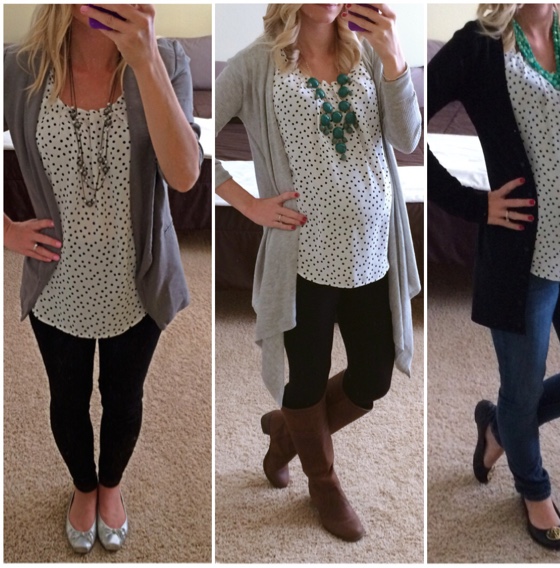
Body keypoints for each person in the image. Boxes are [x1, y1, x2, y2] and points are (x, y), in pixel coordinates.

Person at [428, 3, 560, 550]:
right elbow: (399, 121)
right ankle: (533, 486)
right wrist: (473, 203)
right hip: (524, 256)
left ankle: (499, 428)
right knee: (521, 387)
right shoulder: (478, 44)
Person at [215, 3, 421, 541]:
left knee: (373, 377)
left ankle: (286, 434)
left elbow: (407, 139)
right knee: (304, 378)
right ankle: (324, 482)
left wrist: (394, 56)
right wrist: (247, 203)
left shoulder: (368, 51)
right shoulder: (256, 63)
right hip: (303, 256)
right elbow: (190, 139)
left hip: (373, 250)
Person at [4, 4, 202, 554]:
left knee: (123, 397)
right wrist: (6, 230)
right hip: (56, 284)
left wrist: (145, 62)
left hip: (139, 283)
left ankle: (109, 486)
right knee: (67, 400)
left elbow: (184, 175)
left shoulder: (167, 60)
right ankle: (83, 487)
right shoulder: (20, 67)